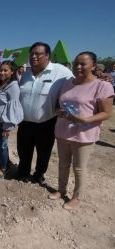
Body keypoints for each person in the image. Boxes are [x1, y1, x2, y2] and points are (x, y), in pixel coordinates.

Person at [49, 51, 114, 210]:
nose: (78, 66)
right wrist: (59, 112)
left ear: (93, 65)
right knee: (63, 164)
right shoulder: (67, 83)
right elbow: (59, 105)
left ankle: (77, 197)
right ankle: (61, 189)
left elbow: (106, 113)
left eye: (83, 64)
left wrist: (85, 120)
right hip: (63, 130)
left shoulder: (102, 86)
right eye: (76, 63)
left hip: (84, 134)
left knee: (79, 168)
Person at [17, 42, 73, 184]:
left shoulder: (61, 72)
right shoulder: (26, 74)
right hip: (24, 122)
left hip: (46, 122)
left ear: (47, 56)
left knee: (44, 152)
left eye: (38, 53)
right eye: (32, 54)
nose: (33, 56)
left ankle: (39, 174)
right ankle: (23, 172)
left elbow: (75, 87)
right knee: (24, 150)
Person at [0, 61, 24, 178]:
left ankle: (4, 170)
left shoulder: (13, 86)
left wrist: (8, 126)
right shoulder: (1, 84)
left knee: (3, 146)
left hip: (5, 122)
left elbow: (13, 108)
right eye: (1, 70)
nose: (2, 72)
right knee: (0, 145)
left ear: (12, 72)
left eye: (5, 70)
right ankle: (6, 163)